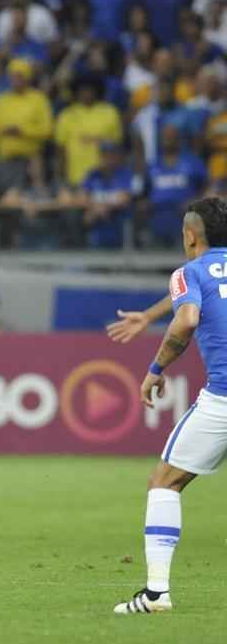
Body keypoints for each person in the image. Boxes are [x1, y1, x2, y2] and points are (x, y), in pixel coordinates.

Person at [115, 198, 227, 614]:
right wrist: (149, 314)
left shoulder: (189, 271)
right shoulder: (193, 275)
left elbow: (188, 316)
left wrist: (156, 368)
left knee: (164, 482)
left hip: (224, 398)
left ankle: (156, 594)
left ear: (191, 234)